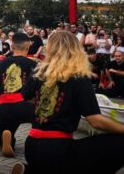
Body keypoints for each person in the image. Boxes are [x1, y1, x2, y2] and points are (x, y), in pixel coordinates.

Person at [11, 31, 124, 174]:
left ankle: (30, 171)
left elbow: (26, 96)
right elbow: (95, 121)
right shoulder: (79, 77)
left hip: (32, 145)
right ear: (76, 50)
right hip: (58, 149)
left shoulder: (39, 73)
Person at [0, 32, 37, 157]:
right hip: (26, 106)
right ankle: (36, 139)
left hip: (5, 107)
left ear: (11, 47)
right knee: (40, 122)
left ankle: (8, 139)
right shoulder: (34, 65)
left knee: (4, 133)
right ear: (27, 47)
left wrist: (2, 93)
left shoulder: (1, 63)